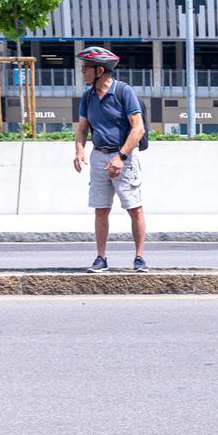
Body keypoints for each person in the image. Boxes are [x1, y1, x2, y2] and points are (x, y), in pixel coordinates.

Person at [72, 46, 148, 273]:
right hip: (98, 156)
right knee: (101, 209)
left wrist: (121, 157)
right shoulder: (87, 96)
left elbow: (138, 129)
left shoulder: (124, 92)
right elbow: (82, 129)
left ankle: (139, 257)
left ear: (100, 70)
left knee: (134, 208)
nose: (82, 71)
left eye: (85, 68)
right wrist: (79, 151)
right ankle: (101, 258)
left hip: (123, 156)